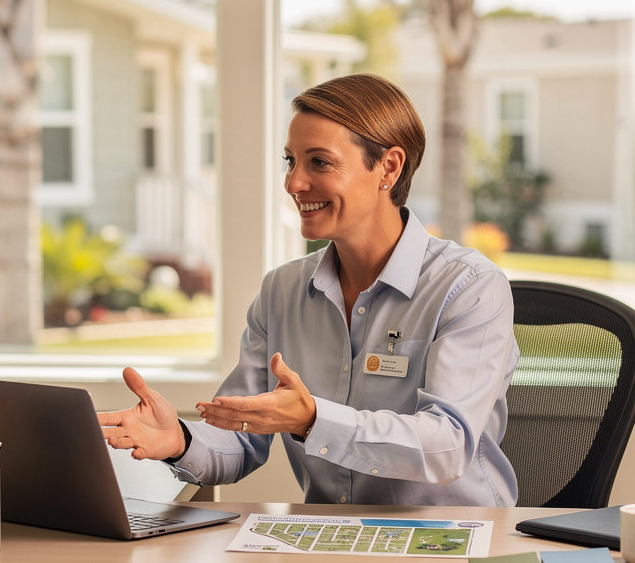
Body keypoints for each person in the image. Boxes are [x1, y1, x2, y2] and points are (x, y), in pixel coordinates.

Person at [99, 73, 520, 507]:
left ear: (388, 168)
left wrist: (314, 420)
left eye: (319, 162)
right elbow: (241, 437)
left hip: (451, 543)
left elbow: (446, 446)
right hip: (329, 542)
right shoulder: (282, 291)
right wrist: (180, 440)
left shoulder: (469, 288)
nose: (293, 183)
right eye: (290, 161)